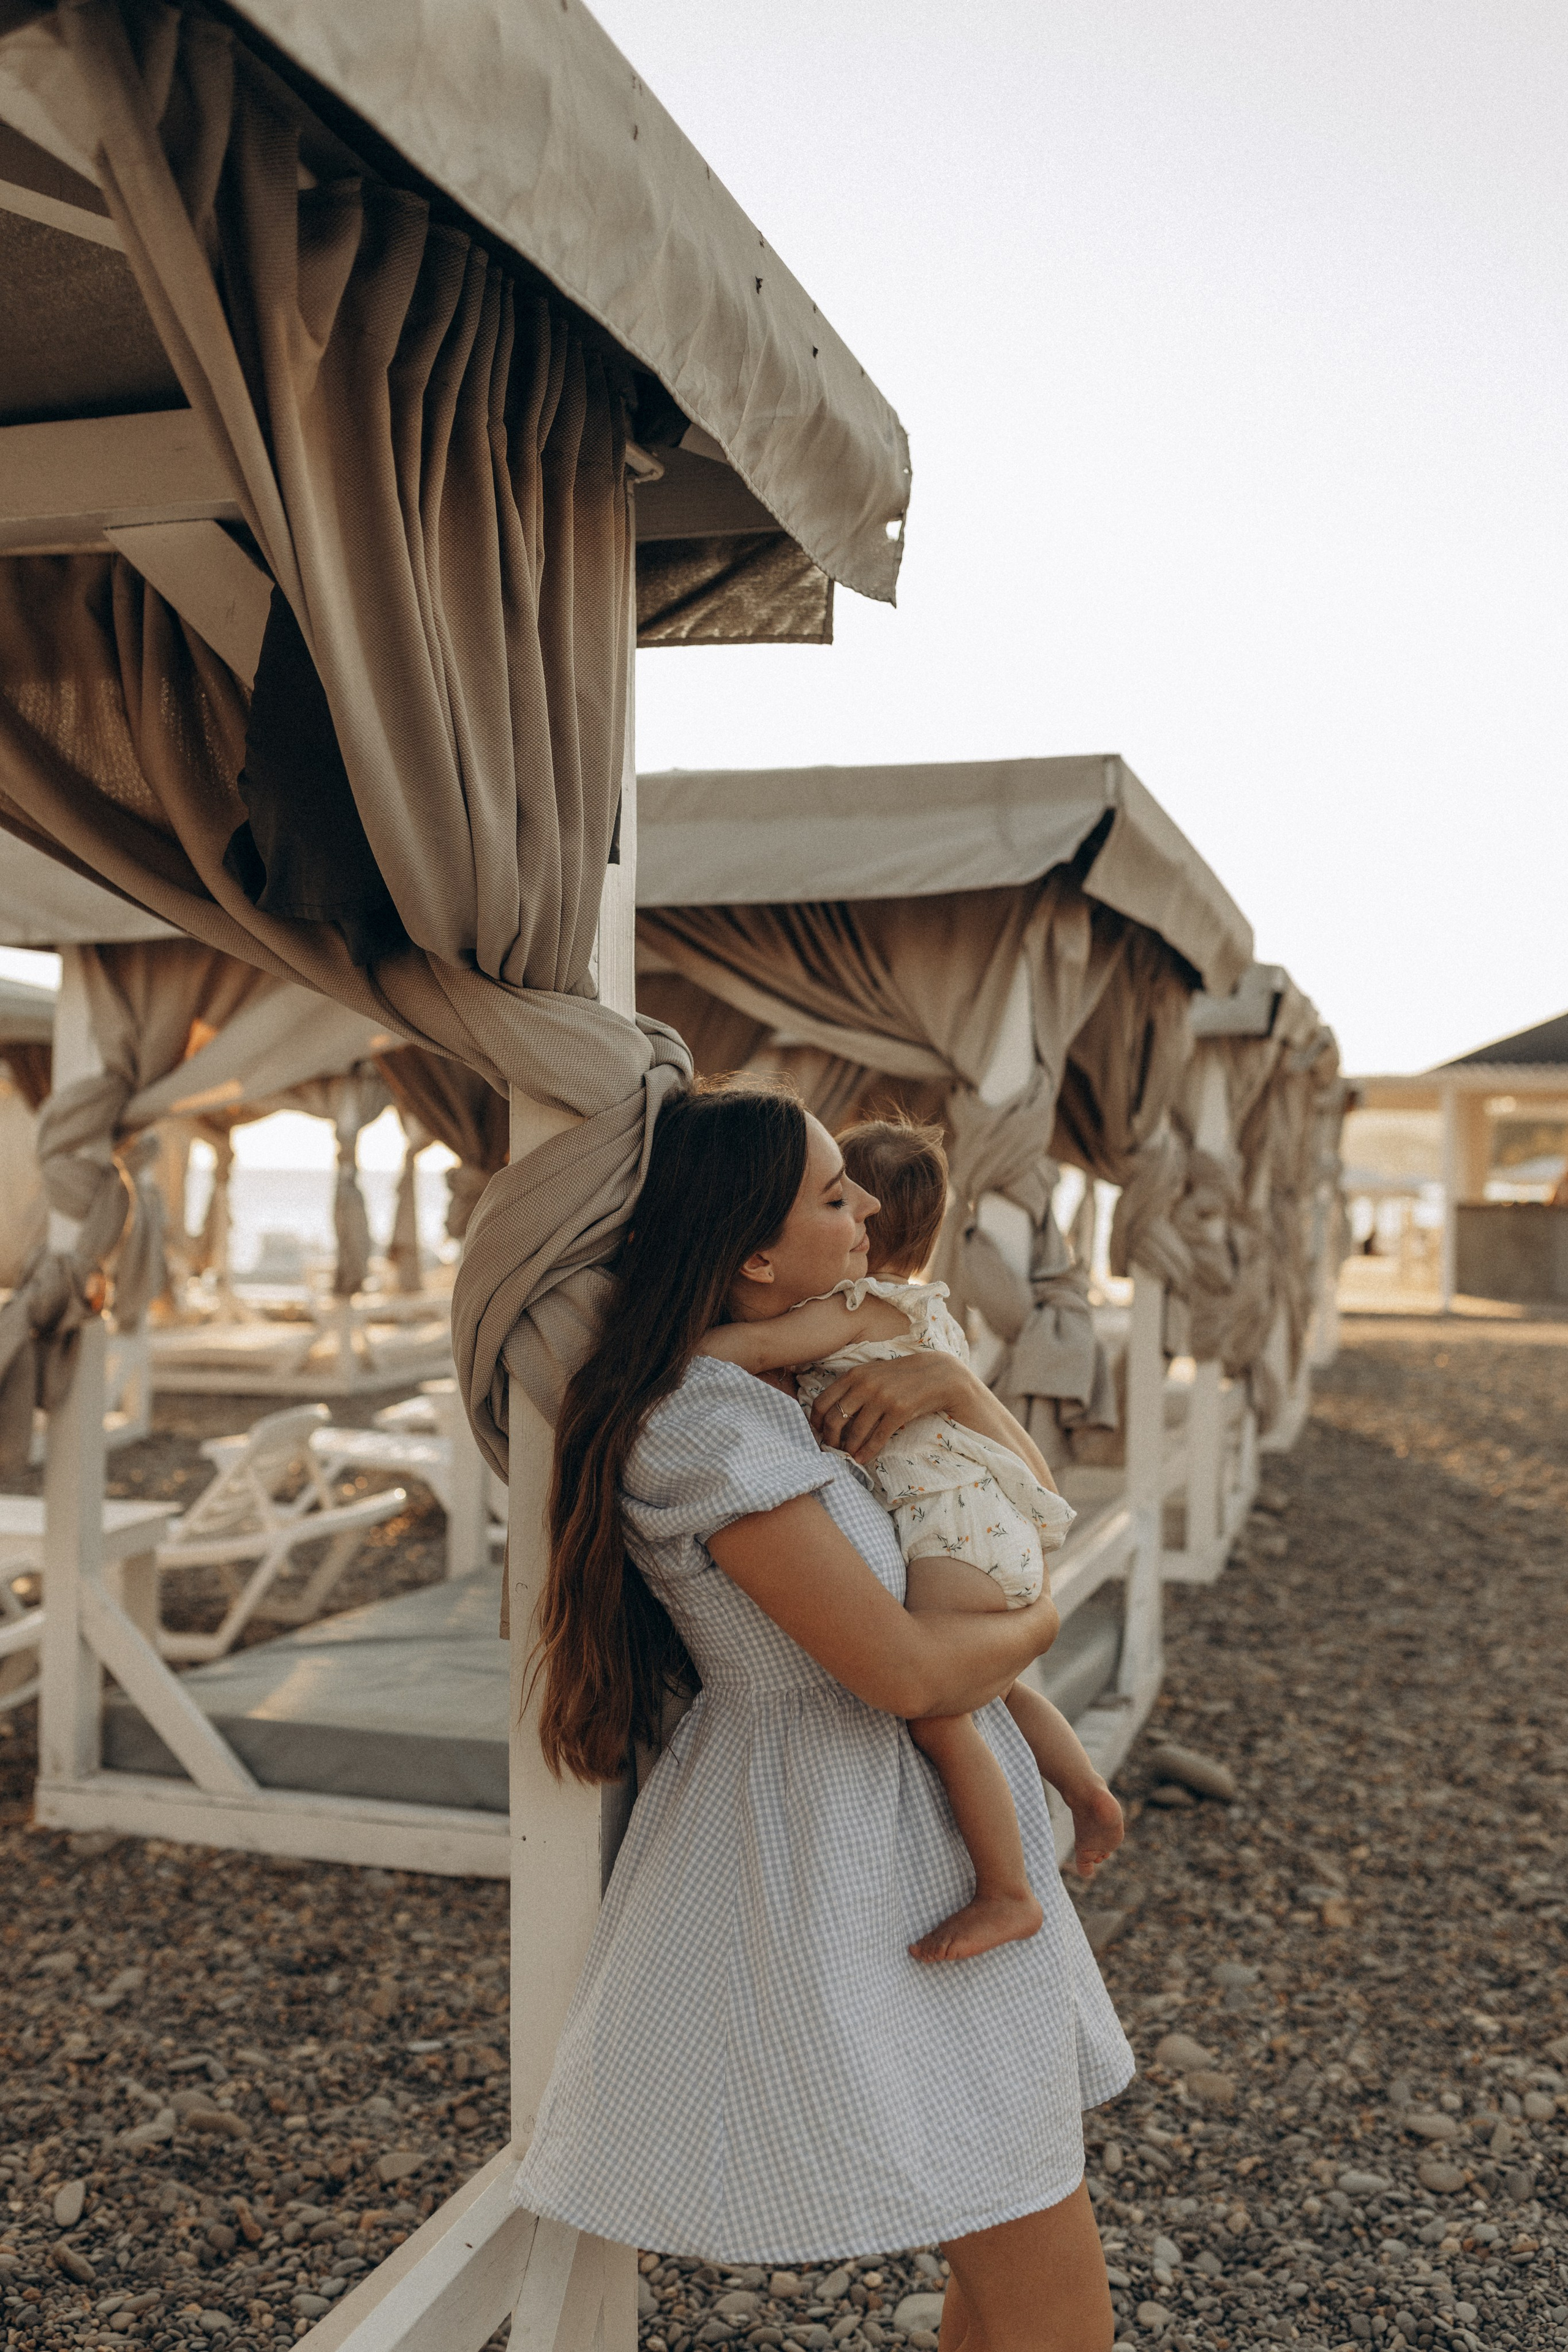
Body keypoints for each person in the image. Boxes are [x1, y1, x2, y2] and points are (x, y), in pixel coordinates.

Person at [514, 1077, 1133, 2350]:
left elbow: (1012, 1509)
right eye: (833, 1196)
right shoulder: (703, 1425)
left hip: (910, 1805)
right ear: (753, 1252)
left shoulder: (798, 1381)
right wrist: (1039, 1626)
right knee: (1032, 2243)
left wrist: (952, 1389)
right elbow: (905, 1674)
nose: (866, 1212)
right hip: (854, 1827)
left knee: (1008, 2212)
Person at [696, 1115, 1124, 1962]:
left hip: (952, 1531)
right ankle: (1085, 1790)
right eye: (833, 1199)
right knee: (997, 1685)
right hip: (992, 1526)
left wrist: (656, 1344)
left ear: (869, 1231)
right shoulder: (931, 1318)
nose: (852, 1210)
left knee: (942, 1712)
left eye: (849, 1199)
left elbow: (751, 1345)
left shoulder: (855, 1312)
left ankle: (1008, 1891)